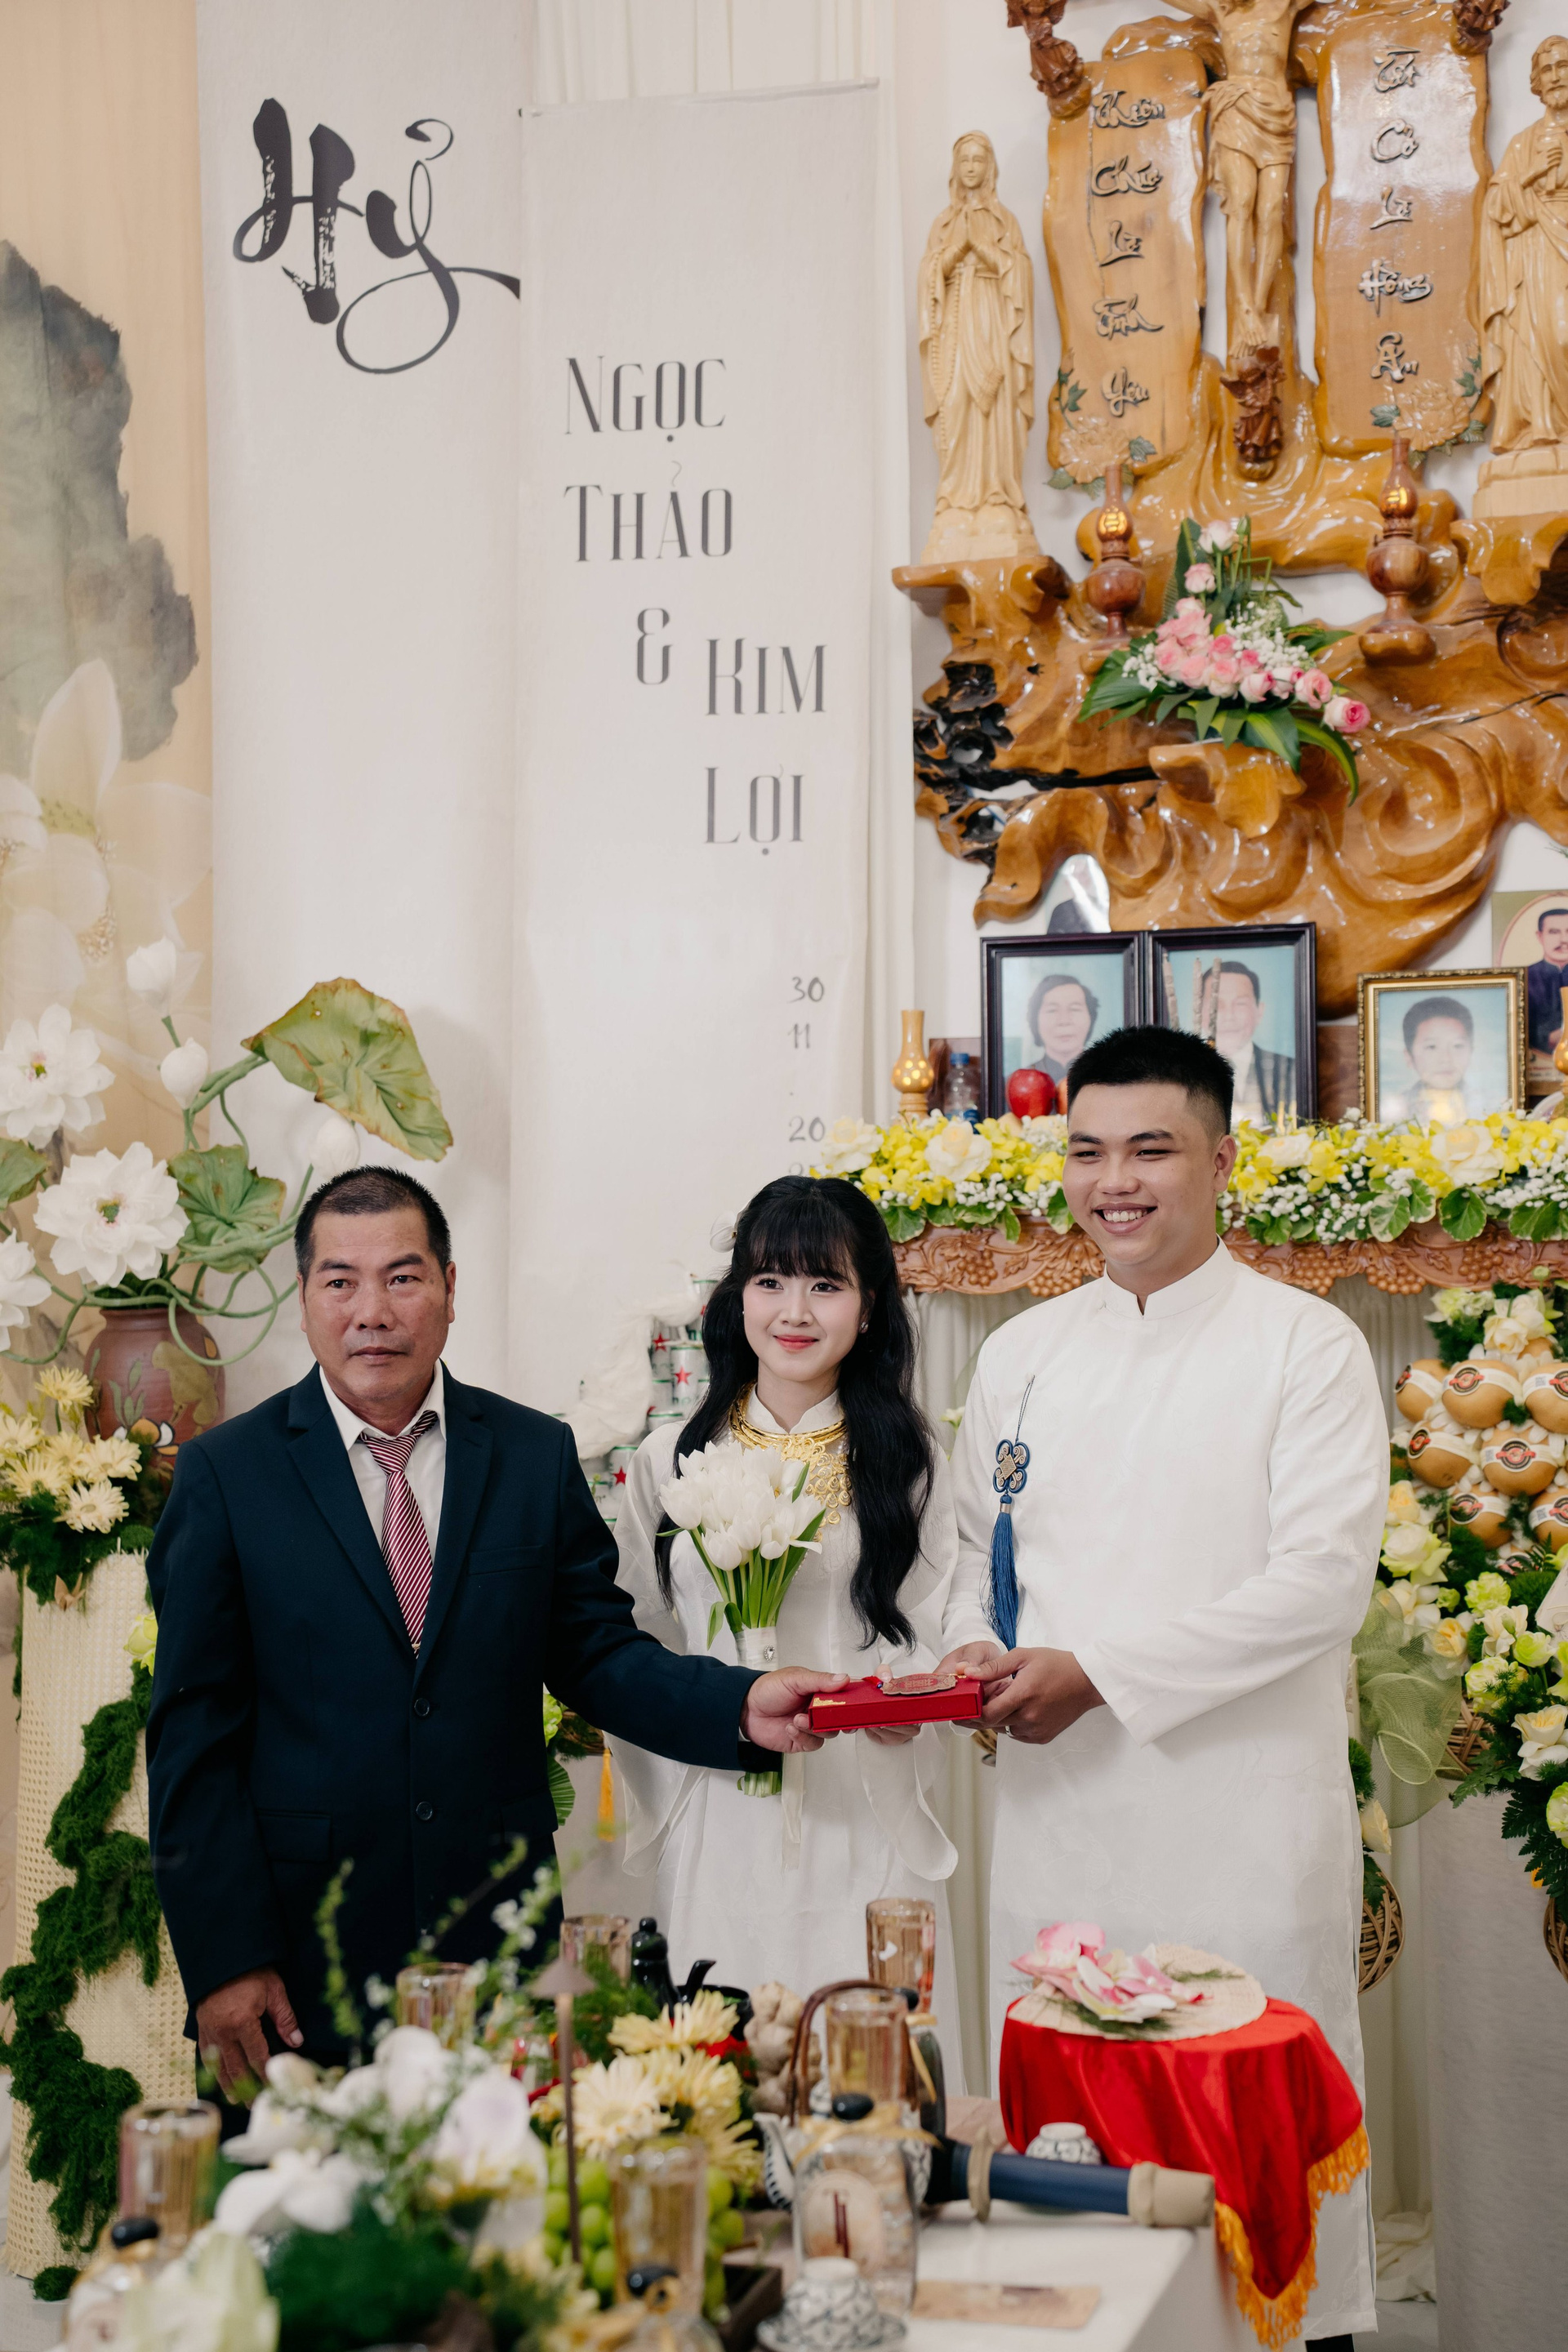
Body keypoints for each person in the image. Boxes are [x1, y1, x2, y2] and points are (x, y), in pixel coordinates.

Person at [145, 1167, 841, 2092]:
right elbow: (193, 1738)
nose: (372, 1312)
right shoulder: (227, 1476)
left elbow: (596, 1651)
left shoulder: (530, 1454)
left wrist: (741, 1705)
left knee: (509, 2178)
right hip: (305, 1956)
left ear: (448, 1287)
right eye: (340, 1282)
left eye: (402, 1277)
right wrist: (226, 1957)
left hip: (497, 1939)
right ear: (305, 1297)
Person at [938, 1027, 1384, 2349]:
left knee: (1250, 2175)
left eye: (1151, 1150)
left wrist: (1099, 1675)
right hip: (1060, 1828)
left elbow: (1319, 1587)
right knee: (1073, 2189)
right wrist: (971, 1650)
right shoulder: (1023, 1353)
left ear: (1224, 1160)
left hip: (1239, 1828)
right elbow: (972, 1557)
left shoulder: (1304, 1346)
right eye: (1087, 1152)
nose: (1113, 1183)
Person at [612, 1178, 977, 2082]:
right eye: (770, 1281)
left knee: (871, 2075)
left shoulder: (911, 1462)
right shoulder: (670, 1459)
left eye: (826, 1284)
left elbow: (939, 1622)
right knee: (718, 2076)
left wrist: (914, 1704)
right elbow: (634, 1640)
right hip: (719, 1808)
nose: (795, 1311)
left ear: (870, 1306)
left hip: (865, 1804)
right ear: (736, 1298)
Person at [1210, 958, 1295, 1124]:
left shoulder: (1290, 1070)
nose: (1229, 1016)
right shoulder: (1183, 1074)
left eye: (1240, 1004)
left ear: (1259, 1011)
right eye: (1218, 1005)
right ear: (1201, 1010)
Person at [1384, 994, 1476, 1125]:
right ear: (1409, 1056)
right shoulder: (1393, 1112)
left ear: (1471, 1052)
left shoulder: (1492, 1106)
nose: (1446, 1059)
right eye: (1431, 1047)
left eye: (1457, 1046)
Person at [1023, 971, 1098, 1087]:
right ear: (1035, 1020)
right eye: (1052, 1010)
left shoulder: (1109, 1079)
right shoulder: (1016, 1082)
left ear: (1090, 1018)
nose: (1064, 1021)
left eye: (1075, 1009)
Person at [1526, 905, 1568, 1057]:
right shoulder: (1525, 978)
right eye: (1554, 932)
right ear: (1540, 936)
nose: (1564, 940)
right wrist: (1548, 1038)